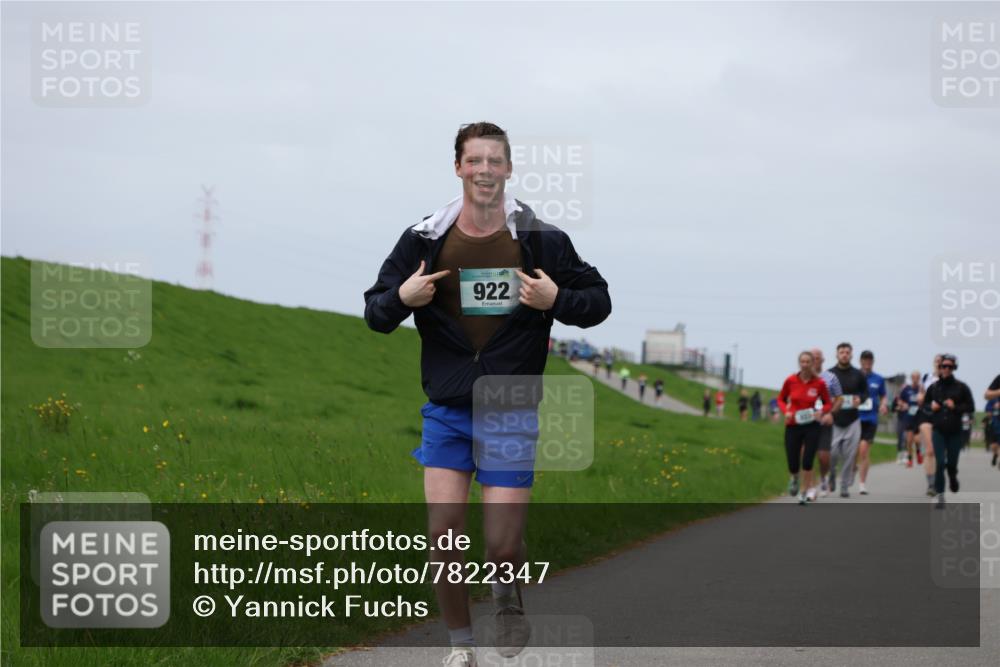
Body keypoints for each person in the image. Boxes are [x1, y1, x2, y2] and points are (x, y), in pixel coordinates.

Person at [363, 121, 611, 666]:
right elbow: (376, 312)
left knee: (501, 545)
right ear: (458, 167)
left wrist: (555, 299)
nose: (484, 171)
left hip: (509, 410)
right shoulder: (423, 238)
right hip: (447, 409)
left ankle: (505, 592)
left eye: (494, 161)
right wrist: (403, 296)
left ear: (509, 168)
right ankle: (460, 646)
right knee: (443, 538)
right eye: (473, 161)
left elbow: (598, 300)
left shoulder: (542, 240)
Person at [777, 350, 833, 504]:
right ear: (799, 363)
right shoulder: (790, 380)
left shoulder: (819, 383)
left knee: (807, 461)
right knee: (793, 462)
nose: (806, 365)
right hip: (793, 424)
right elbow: (780, 399)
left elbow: (828, 403)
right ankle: (794, 477)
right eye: (803, 362)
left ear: (812, 364)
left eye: (808, 362)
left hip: (811, 425)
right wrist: (786, 411)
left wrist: (821, 412)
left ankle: (804, 491)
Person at [925, 354, 974, 508]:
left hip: (955, 431)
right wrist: (931, 407)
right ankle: (940, 496)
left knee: (951, 464)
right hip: (938, 430)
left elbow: (970, 407)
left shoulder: (961, 387)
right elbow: (925, 406)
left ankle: (952, 476)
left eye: (949, 366)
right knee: (939, 463)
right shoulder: (933, 387)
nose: (945, 369)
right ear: (939, 368)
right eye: (943, 366)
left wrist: (956, 407)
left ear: (954, 368)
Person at [827, 342, 869, 498]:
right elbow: (822, 394)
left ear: (851, 355)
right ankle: (831, 474)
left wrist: (860, 399)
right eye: (841, 352)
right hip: (835, 419)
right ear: (837, 354)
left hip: (852, 420)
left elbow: (866, 393)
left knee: (849, 455)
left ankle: (844, 486)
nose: (844, 354)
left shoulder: (858, 374)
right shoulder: (829, 374)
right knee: (832, 453)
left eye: (847, 352)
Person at [809, 348, 842, 498]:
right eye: (812, 358)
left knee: (823, 457)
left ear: (822, 360)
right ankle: (810, 487)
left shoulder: (831, 378)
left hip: (824, 422)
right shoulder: (800, 378)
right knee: (807, 456)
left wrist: (831, 413)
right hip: (807, 423)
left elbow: (840, 399)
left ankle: (823, 478)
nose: (815, 360)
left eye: (818, 358)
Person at [856, 350, 888, 495]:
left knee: (864, 450)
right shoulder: (854, 376)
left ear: (873, 362)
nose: (867, 363)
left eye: (869, 360)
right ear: (860, 361)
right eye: (865, 360)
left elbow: (884, 396)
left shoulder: (879, 379)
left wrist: (883, 405)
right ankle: (851, 469)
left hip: (870, 419)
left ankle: (862, 483)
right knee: (853, 451)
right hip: (854, 419)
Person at [915, 355, 943, 495]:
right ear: (933, 363)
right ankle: (931, 484)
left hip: (942, 417)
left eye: (941, 362)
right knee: (930, 450)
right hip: (926, 413)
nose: (938, 364)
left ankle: (938, 478)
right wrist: (920, 398)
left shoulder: (950, 382)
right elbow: (920, 395)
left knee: (939, 452)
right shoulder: (926, 377)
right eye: (936, 361)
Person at [895, 371, 923, 467]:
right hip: (909, 416)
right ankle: (910, 459)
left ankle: (919, 451)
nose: (915, 379)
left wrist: (921, 401)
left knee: (917, 439)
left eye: (917, 377)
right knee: (909, 440)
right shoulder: (906, 389)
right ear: (911, 378)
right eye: (914, 377)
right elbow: (899, 400)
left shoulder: (921, 389)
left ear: (919, 378)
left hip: (919, 416)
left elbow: (927, 400)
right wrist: (903, 404)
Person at [985, 373, 1000, 467]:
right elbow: (988, 410)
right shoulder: (994, 398)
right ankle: (995, 454)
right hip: (996, 422)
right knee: (994, 445)